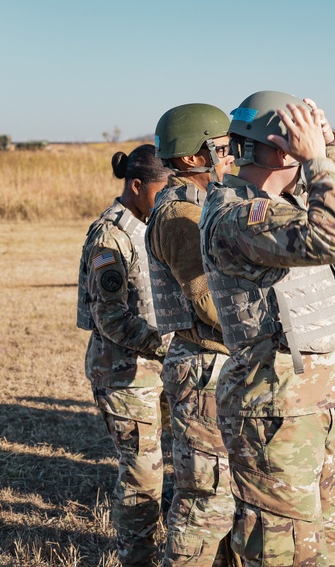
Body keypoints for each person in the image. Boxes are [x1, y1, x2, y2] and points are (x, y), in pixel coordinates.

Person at [200, 91, 335, 566]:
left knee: (325, 545)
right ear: (286, 150)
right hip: (273, 413)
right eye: (304, 141)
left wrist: (329, 151)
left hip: (305, 406)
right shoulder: (239, 216)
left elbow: (322, 213)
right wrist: (318, 160)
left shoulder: (271, 204)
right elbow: (334, 236)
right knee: (283, 551)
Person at [146, 104, 238, 565]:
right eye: (221, 149)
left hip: (216, 363)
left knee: (232, 498)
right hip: (204, 368)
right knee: (207, 502)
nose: (230, 158)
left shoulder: (202, 204)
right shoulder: (182, 216)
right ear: (189, 158)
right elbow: (207, 302)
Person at [76, 144, 171, 566]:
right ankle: (138, 557)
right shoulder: (110, 235)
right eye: (161, 190)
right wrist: (168, 344)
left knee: (175, 464)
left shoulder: (153, 224)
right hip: (124, 375)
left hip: (161, 368)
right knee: (142, 475)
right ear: (136, 185)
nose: (168, 199)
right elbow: (110, 318)